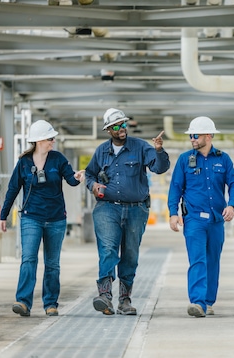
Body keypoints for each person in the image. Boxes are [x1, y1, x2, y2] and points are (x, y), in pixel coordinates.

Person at [85, 108, 170, 316]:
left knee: (130, 255)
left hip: (136, 210)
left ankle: (125, 300)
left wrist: (159, 150)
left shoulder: (141, 147)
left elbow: (159, 168)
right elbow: (89, 173)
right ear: (108, 130)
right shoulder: (101, 151)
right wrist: (93, 185)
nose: (122, 129)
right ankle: (105, 296)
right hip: (107, 208)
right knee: (108, 250)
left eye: (123, 124)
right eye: (116, 126)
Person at [0, 120, 85, 317]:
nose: (53, 141)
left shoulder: (58, 159)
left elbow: (71, 180)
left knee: (52, 263)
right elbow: (13, 189)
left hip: (56, 218)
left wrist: (78, 177)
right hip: (32, 217)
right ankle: (23, 301)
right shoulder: (24, 163)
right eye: (50, 138)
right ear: (39, 141)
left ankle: (50, 303)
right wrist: (3, 215)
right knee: (29, 258)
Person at [168, 116, 234, 318]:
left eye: (195, 135)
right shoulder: (184, 160)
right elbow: (175, 187)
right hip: (193, 220)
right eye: (191, 135)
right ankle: (197, 302)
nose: (192, 139)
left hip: (217, 220)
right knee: (197, 260)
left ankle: (208, 301)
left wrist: (232, 205)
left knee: (213, 261)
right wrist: (173, 213)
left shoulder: (223, 159)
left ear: (208, 136)